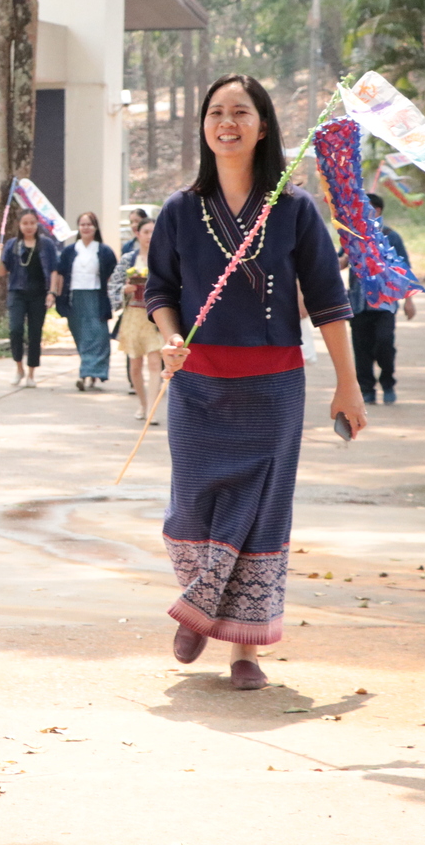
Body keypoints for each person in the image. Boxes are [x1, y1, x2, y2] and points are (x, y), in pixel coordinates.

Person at [146, 74, 367, 691]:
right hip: (197, 385)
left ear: (263, 125)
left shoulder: (294, 210)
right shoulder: (179, 210)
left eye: (240, 112)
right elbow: (160, 289)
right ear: (204, 128)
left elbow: (328, 300)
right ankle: (200, 598)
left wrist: (347, 385)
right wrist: (170, 333)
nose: (227, 122)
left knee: (262, 512)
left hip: (273, 387)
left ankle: (246, 650)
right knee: (192, 504)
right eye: (215, 112)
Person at [348, 193, 416, 404]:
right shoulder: (352, 235)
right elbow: (340, 262)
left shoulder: (391, 237)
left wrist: (409, 300)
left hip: (385, 304)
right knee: (361, 349)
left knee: (384, 343)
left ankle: (388, 382)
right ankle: (367, 390)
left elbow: (403, 270)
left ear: (377, 211)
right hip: (358, 304)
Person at [53, 211, 117, 391]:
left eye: (89, 224)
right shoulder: (69, 251)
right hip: (75, 298)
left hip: (96, 297)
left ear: (95, 227)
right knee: (81, 335)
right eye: (82, 224)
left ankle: (87, 373)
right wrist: (55, 294)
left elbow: (114, 276)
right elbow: (60, 275)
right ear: (78, 228)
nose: (86, 227)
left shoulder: (104, 251)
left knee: (99, 335)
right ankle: (88, 371)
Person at [109, 216, 164, 420]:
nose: (150, 236)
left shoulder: (164, 258)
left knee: (155, 363)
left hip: (154, 317)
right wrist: (125, 289)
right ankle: (142, 404)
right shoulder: (128, 259)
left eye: (153, 232)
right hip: (133, 315)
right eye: (146, 232)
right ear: (137, 234)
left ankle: (152, 409)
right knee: (135, 366)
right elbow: (113, 285)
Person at [1, 209, 59, 387]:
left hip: (39, 294)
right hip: (17, 293)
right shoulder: (12, 244)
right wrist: (0, 254)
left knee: (35, 333)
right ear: (19, 225)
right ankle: (19, 368)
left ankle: (31, 373)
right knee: (15, 330)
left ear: (37, 224)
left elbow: (53, 270)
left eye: (32, 223)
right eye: (25, 223)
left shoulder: (46, 244)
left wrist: (52, 292)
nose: (28, 226)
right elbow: (2, 272)